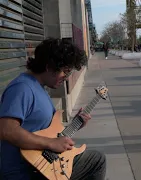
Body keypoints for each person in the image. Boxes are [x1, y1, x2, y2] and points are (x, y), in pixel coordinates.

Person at [0, 38, 106, 180]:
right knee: (97, 161)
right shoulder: (22, 88)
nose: (67, 78)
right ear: (49, 67)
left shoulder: (39, 87)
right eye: (65, 72)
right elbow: (6, 130)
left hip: (44, 166)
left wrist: (75, 124)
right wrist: (51, 143)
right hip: (25, 172)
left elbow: (45, 130)